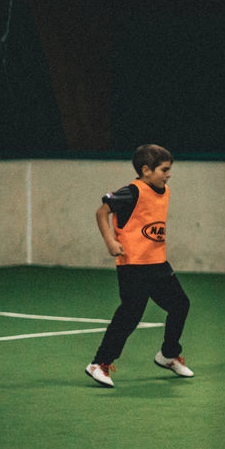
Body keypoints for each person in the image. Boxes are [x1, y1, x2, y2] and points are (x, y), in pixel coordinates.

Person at [85, 144, 194, 388]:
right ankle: (99, 364)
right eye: (164, 170)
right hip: (133, 266)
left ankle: (168, 355)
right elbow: (101, 212)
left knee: (180, 305)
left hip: (158, 264)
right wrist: (110, 241)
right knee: (130, 315)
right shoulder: (131, 192)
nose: (168, 174)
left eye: (169, 170)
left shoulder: (164, 191)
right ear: (146, 170)